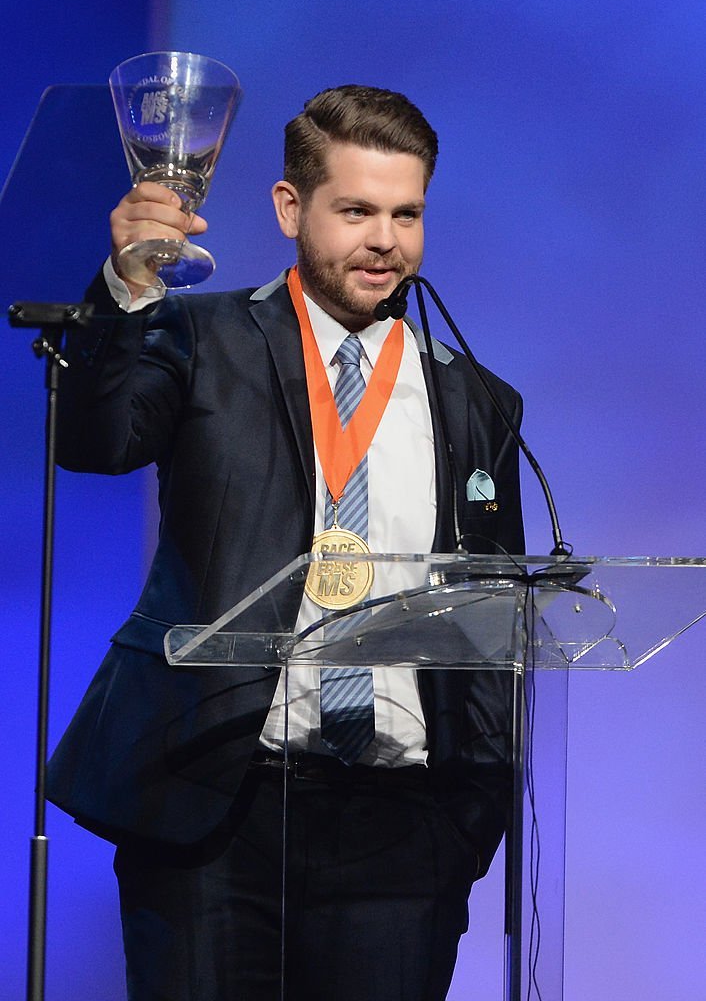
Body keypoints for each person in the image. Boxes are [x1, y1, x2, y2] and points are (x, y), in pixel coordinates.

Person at [47, 85, 525, 1001]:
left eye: (406, 213)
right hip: (215, 804)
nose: (385, 240)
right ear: (290, 206)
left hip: (400, 826)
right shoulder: (198, 334)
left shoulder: (476, 399)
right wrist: (130, 288)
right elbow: (97, 443)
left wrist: (469, 817)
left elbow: (489, 614)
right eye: (356, 210)